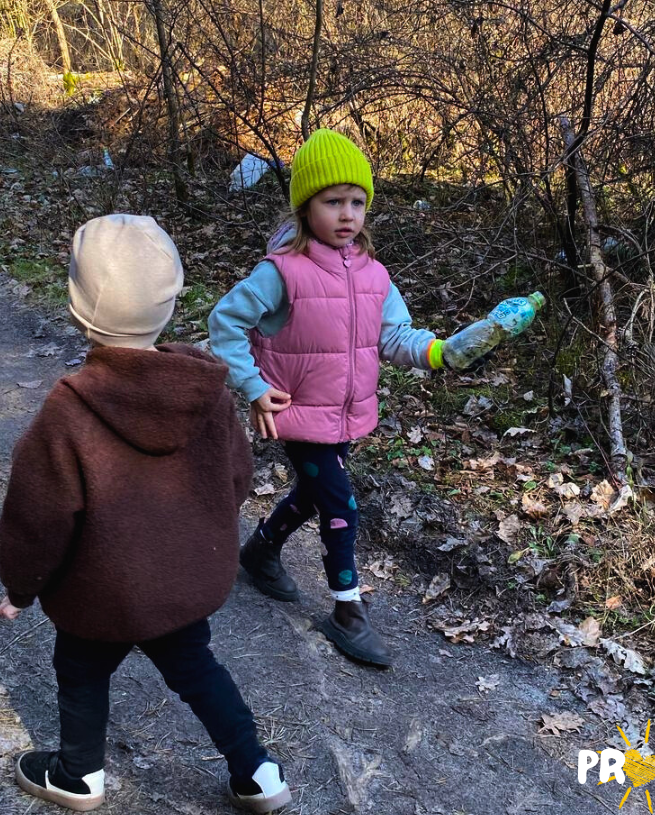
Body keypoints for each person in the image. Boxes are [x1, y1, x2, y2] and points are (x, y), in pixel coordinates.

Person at [0, 215, 291, 815]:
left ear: (78, 309)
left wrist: (20, 588)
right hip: (181, 585)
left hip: (98, 593)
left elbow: (38, 519)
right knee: (197, 668)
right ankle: (257, 772)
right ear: (173, 301)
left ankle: (79, 774)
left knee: (81, 669)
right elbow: (236, 480)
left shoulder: (69, 411)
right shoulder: (207, 392)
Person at [208, 129, 501, 668]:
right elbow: (225, 322)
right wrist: (253, 386)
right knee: (340, 503)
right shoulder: (281, 271)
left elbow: (395, 337)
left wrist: (445, 352)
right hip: (295, 410)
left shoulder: (374, 275)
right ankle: (347, 610)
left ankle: (261, 550)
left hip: (345, 413)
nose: (347, 214)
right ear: (305, 206)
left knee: (315, 494)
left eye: (357, 202)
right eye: (333, 201)